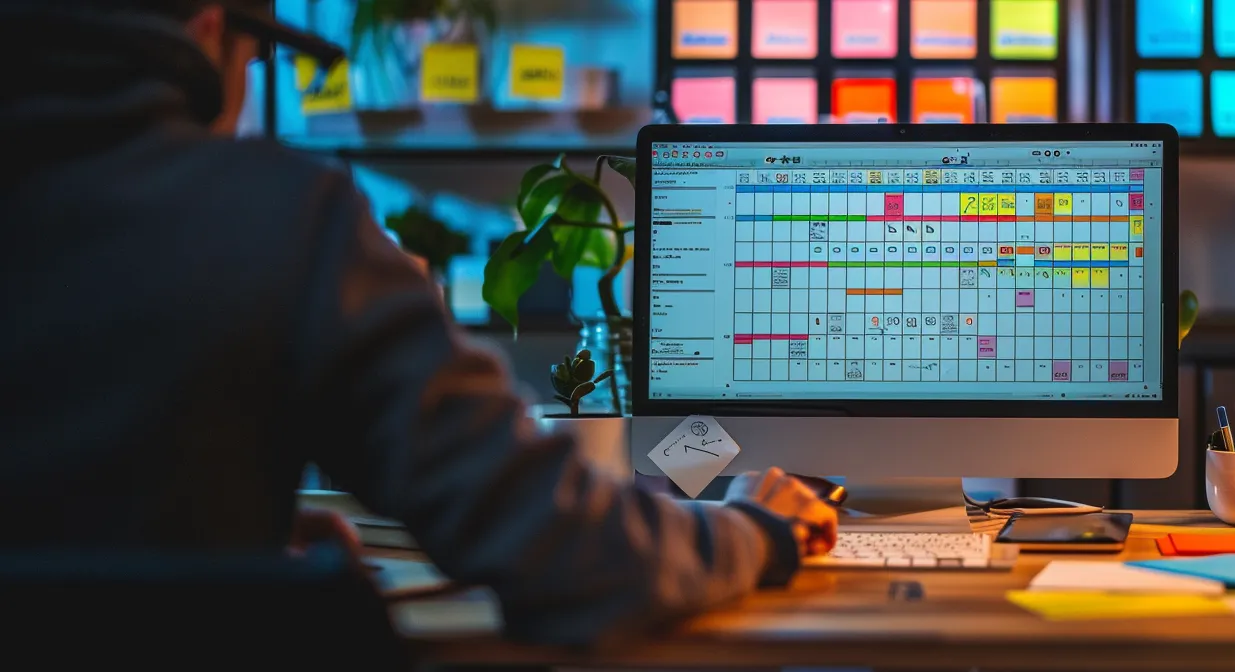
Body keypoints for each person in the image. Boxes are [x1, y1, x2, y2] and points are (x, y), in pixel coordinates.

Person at [0, 0, 837, 646]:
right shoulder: (278, 220)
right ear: (214, 37)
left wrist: (239, 531)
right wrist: (755, 533)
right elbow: (568, 555)